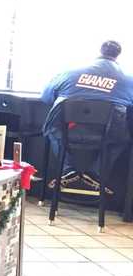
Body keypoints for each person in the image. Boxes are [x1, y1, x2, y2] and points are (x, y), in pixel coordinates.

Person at [41, 41, 133, 191]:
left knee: (52, 129)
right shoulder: (128, 80)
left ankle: (67, 169)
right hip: (106, 135)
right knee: (122, 139)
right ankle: (96, 173)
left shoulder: (69, 73)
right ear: (118, 56)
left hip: (68, 131)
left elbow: (46, 97)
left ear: (100, 52)